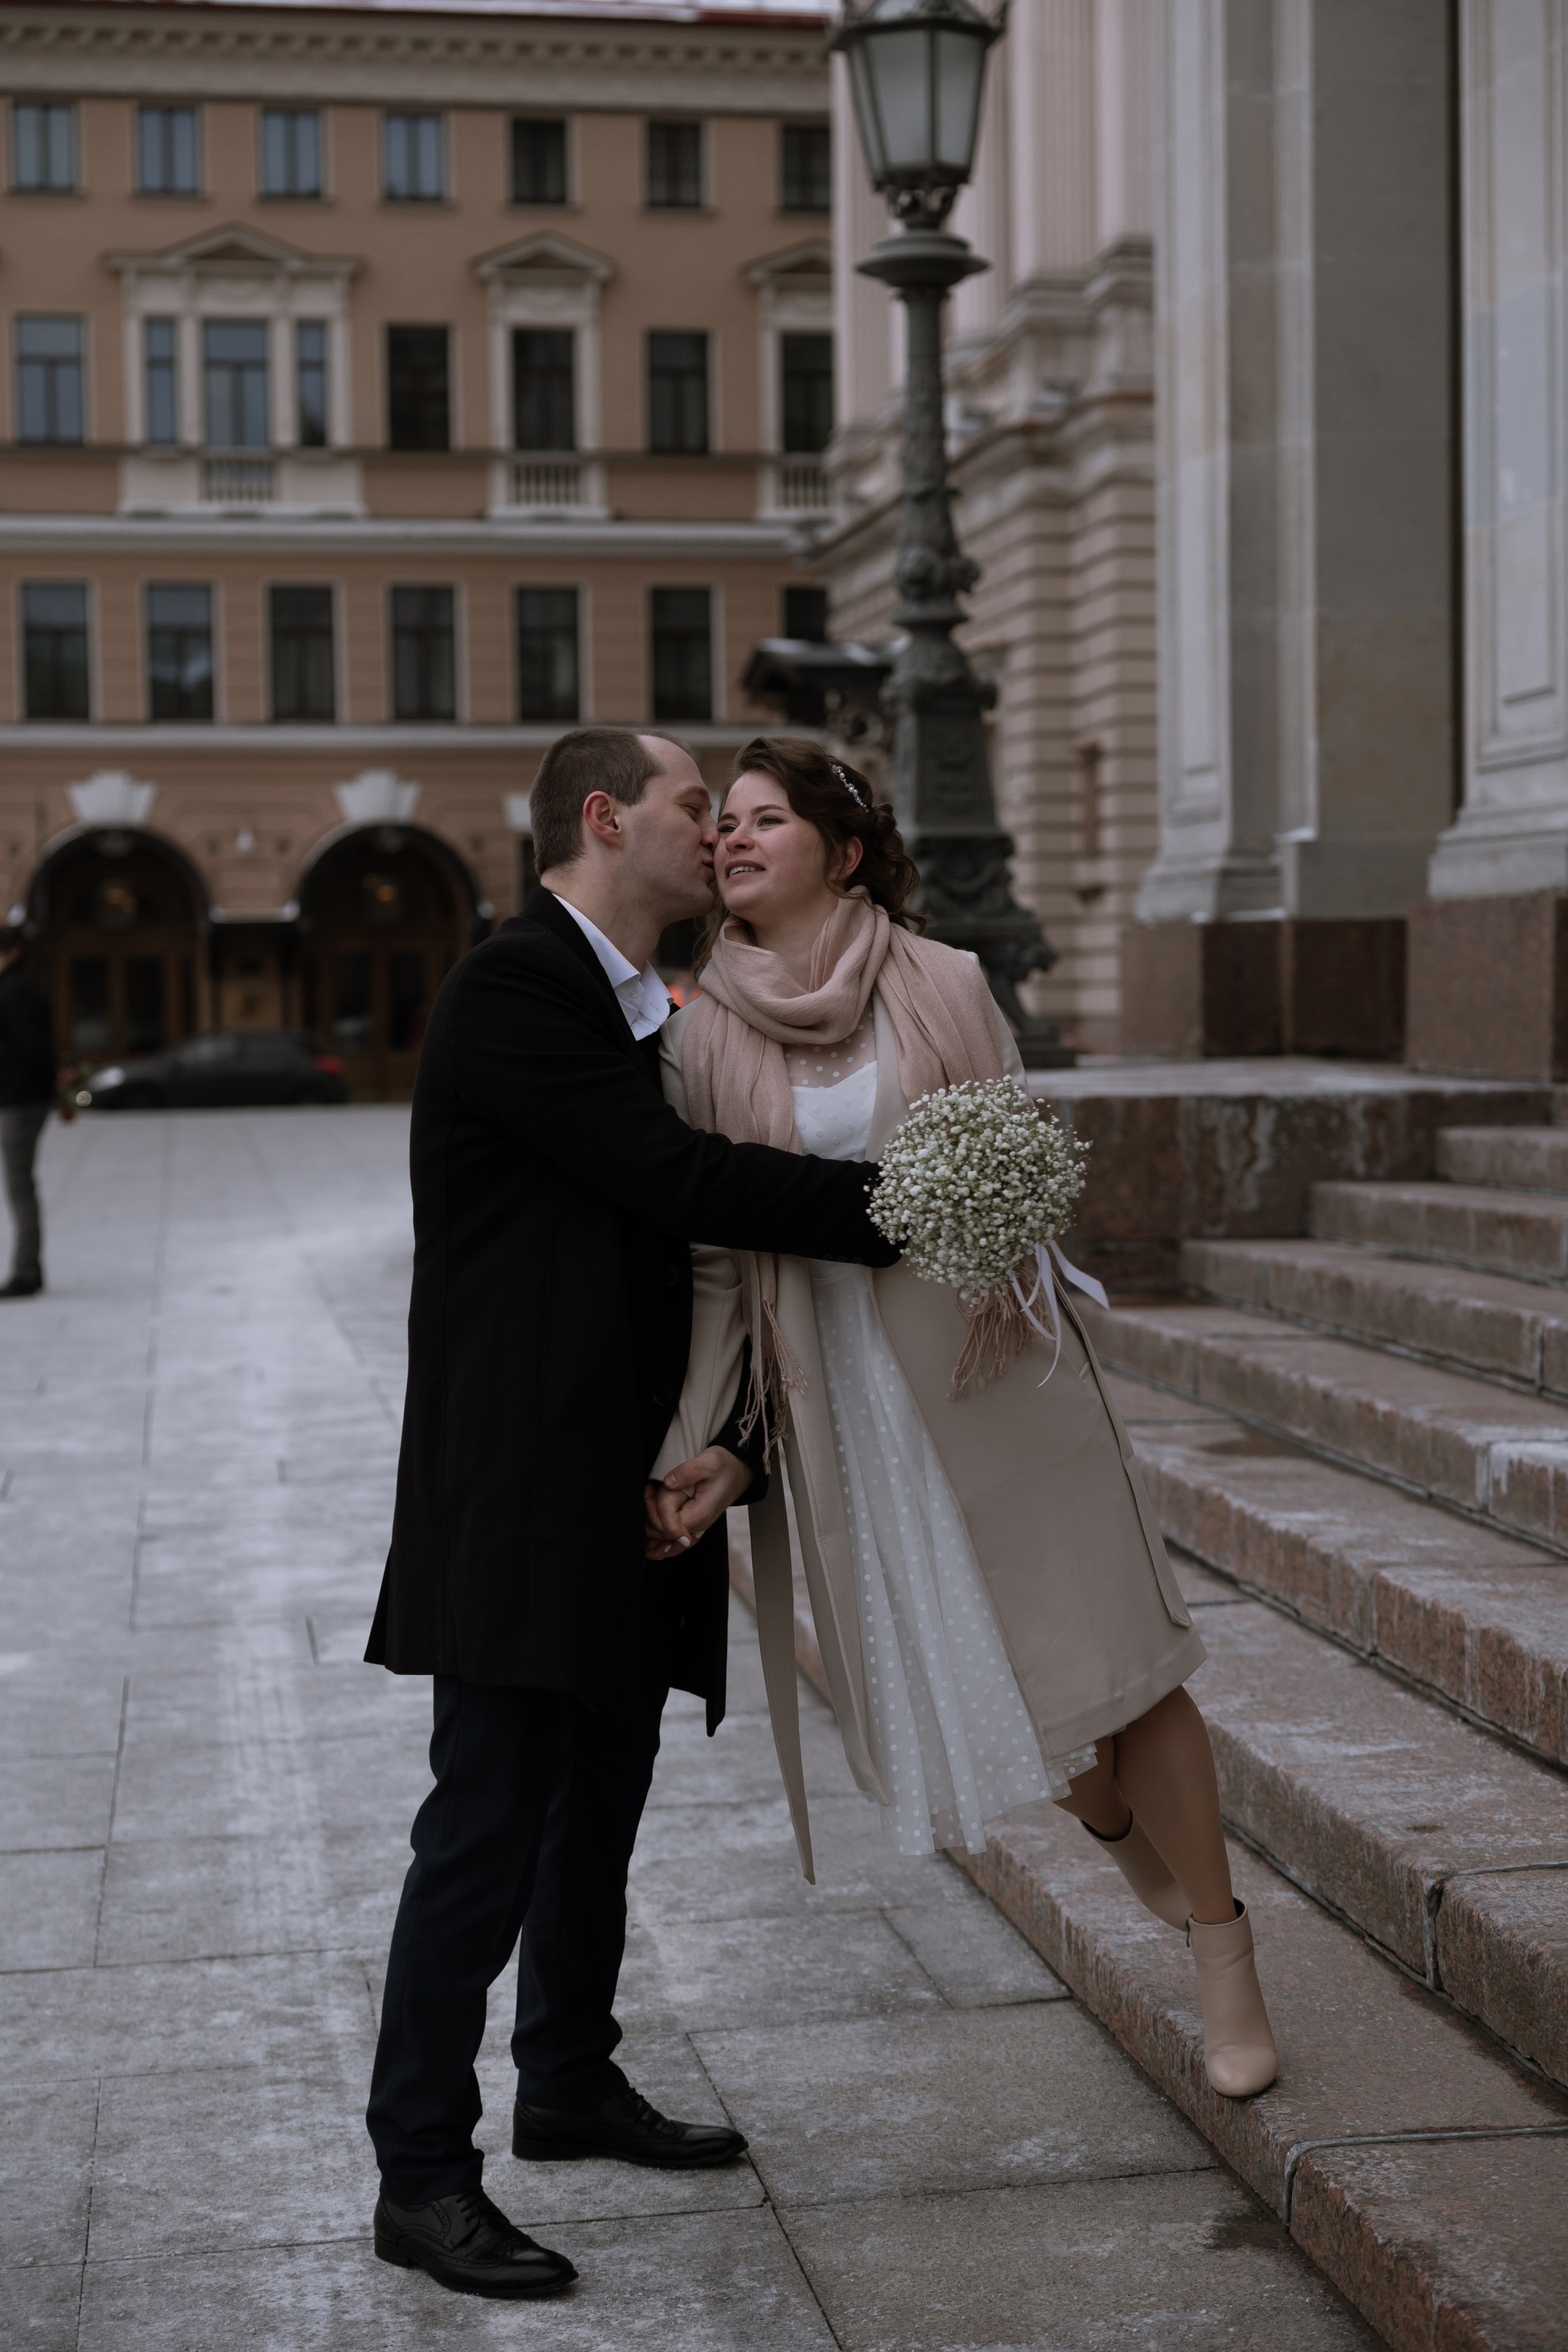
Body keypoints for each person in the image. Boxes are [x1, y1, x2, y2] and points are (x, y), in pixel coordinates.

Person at [652, 736, 1278, 2103]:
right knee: (983, 1674)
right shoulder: (701, 1030)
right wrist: (701, 1436)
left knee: (1120, 1657)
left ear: (846, 849)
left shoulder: (944, 983)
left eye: (766, 820)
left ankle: (1225, 1956)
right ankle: (1102, 1807)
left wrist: (995, 1211)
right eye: (726, 825)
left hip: (1000, 1375)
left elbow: (1015, 1171)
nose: (734, 839)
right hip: (846, 1409)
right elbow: (714, 1260)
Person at [363, 727, 901, 2303]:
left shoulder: (639, 1000)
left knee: (598, 1787)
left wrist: (714, 1441)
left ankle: (570, 2072)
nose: (718, 832)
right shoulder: (517, 984)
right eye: (692, 806)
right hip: (522, 1481)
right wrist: (908, 1209)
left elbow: (669, 1249)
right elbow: (674, 1178)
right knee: (484, 1823)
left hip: (624, 1474)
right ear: (605, 819)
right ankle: (418, 2170)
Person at [0, 932, 56, 1300]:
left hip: (20, 1101)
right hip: (23, 1097)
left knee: (20, 1187)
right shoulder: (16, 987)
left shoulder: (13, 990)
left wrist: (49, 1083)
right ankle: (29, 1268)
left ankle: (25, 1272)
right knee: (22, 1186)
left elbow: (32, 1046)